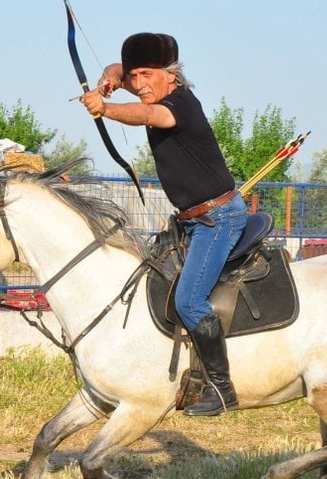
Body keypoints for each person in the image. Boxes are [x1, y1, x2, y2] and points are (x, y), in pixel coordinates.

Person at [80, 32, 247, 417]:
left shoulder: (180, 104)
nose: (139, 85)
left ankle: (222, 390)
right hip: (189, 220)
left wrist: (106, 106)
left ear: (170, 74)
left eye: (146, 75)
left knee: (188, 300)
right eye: (134, 77)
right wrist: (109, 78)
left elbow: (147, 116)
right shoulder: (145, 85)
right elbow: (117, 70)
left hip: (216, 219)